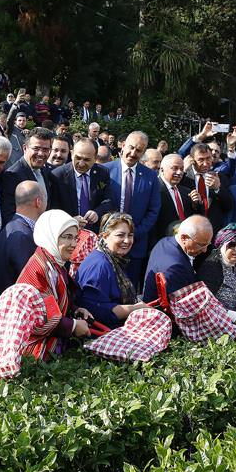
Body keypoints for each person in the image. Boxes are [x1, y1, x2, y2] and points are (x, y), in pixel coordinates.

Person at [14, 210, 93, 357]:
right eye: (68, 237)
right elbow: (42, 316)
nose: (74, 244)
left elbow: (58, 301)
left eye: (76, 238)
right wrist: (74, 326)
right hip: (33, 353)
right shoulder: (39, 268)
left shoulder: (55, 262)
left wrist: (75, 310)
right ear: (51, 236)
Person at [104, 131, 161, 283]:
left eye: (139, 150)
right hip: (107, 244)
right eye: (131, 147)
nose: (133, 153)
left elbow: (153, 210)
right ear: (123, 146)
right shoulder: (105, 171)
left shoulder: (151, 177)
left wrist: (133, 234)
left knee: (130, 290)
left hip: (135, 246)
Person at [76, 212, 145, 328]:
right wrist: (135, 308)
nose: (127, 241)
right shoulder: (99, 266)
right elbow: (98, 311)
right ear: (104, 236)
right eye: (120, 235)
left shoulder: (111, 258)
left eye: (130, 235)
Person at [0, 181, 46, 296]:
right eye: (45, 197)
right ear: (38, 202)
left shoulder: (11, 228)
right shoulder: (22, 236)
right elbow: (32, 280)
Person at [143, 215, 214, 297]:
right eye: (201, 245)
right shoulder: (176, 267)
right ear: (184, 238)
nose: (204, 250)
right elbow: (181, 305)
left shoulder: (164, 242)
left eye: (208, 244)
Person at [51, 138, 112, 230]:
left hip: (94, 232)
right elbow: (53, 209)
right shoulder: (57, 176)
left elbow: (108, 201)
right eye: (78, 158)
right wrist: (69, 220)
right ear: (71, 154)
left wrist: (97, 212)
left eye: (87, 160)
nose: (81, 164)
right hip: (66, 231)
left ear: (95, 158)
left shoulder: (102, 173)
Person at [2, 127, 64, 216]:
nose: (41, 154)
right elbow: (10, 214)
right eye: (36, 148)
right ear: (25, 148)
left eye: (45, 150)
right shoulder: (12, 175)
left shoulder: (45, 170)